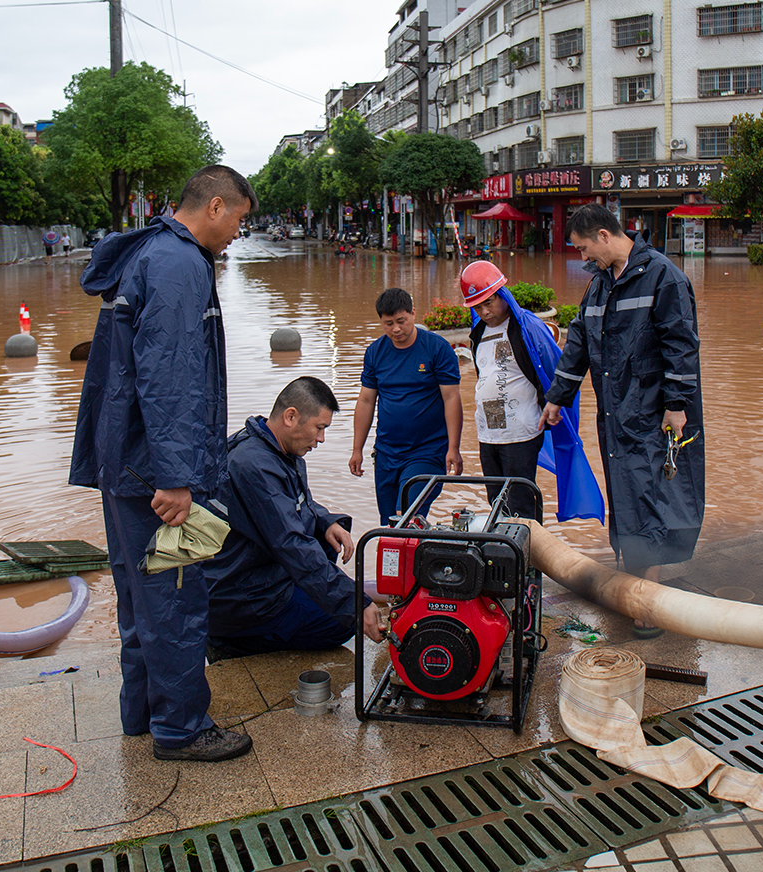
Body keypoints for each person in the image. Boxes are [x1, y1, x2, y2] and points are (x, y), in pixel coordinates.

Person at [69, 164, 258, 763]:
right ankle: (181, 729)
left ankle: (141, 715)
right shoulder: (179, 266)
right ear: (215, 207)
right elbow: (170, 378)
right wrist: (177, 479)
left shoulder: (145, 251)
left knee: (139, 595)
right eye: (240, 221)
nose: (237, 235)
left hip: (124, 463)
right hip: (155, 472)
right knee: (175, 598)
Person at [539, 205, 703, 638]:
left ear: (605, 236)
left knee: (651, 499)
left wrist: (677, 405)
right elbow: (578, 344)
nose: (581, 258)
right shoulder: (599, 286)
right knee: (628, 498)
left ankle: (648, 599)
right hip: (616, 414)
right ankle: (632, 585)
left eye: (583, 248)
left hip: (651, 413)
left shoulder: (663, 277)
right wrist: (558, 397)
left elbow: (681, 345)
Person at [205, 377, 385, 657]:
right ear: (291, 416)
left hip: (255, 574)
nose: (321, 439)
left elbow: (297, 503)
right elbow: (292, 544)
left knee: (325, 576)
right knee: (343, 624)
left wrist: (325, 522)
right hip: (243, 596)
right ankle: (231, 642)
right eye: (319, 428)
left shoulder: (276, 449)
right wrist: (354, 604)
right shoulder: (254, 466)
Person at [459, 260, 604, 523]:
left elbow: (556, 369)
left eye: (489, 302)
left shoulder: (528, 327)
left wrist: (557, 404)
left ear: (502, 294)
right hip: (488, 433)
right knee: (497, 501)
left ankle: (529, 559)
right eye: (477, 306)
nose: (484, 311)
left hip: (521, 432)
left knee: (521, 502)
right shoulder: (478, 332)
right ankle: (504, 555)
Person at [348, 288, 463, 523]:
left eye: (401, 321)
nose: (396, 329)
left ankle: (415, 555)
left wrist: (454, 448)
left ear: (413, 313)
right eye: (388, 323)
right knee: (389, 523)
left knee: (409, 511)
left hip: (427, 451)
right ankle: (401, 560)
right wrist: (357, 449)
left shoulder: (437, 349)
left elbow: (451, 398)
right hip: (387, 452)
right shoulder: (376, 352)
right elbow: (366, 400)